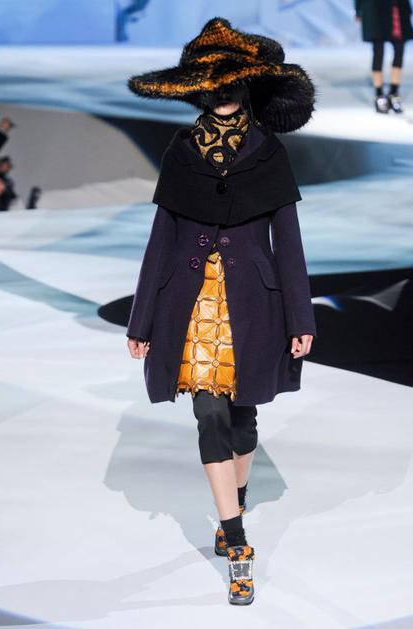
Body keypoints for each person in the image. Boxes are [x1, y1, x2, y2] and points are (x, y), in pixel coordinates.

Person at [125, 17, 317, 606]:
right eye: (214, 84)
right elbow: (161, 238)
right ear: (199, 91)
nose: (224, 93)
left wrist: (301, 319)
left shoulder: (268, 152)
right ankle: (236, 541)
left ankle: (235, 496)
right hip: (191, 304)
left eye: (232, 83)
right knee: (209, 414)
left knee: (242, 420)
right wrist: (141, 320)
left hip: (254, 302)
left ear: (246, 87)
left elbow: (289, 240)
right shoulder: (182, 151)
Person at [355, 0, 413, 113]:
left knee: (399, 50)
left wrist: (408, 9)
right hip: (375, 8)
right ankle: (379, 95)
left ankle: (393, 93)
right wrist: (358, 10)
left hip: (396, 7)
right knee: (378, 51)